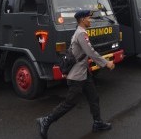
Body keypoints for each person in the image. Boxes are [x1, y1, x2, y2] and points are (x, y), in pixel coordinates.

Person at [36, 10, 115, 139]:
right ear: (83, 19)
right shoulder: (81, 34)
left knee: (94, 97)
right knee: (69, 103)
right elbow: (90, 52)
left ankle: (97, 122)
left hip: (84, 73)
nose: (91, 20)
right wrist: (106, 63)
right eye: (89, 18)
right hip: (77, 76)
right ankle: (46, 120)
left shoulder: (81, 32)